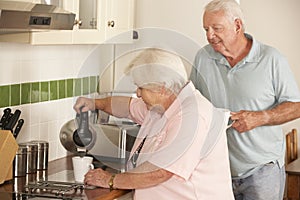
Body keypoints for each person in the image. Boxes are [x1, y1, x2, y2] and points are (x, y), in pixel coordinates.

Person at [74, 48, 234, 199]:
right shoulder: (163, 106)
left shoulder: (193, 115)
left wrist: (111, 180)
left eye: (141, 87)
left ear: (162, 88)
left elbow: (159, 172)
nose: (137, 93)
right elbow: (127, 106)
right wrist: (94, 103)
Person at [190, 0, 300, 199]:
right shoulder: (202, 58)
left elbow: (296, 106)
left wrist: (261, 118)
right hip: (217, 170)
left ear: (237, 26)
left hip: (261, 170)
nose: (209, 36)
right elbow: (193, 105)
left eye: (216, 28)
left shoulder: (271, 59)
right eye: (206, 29)